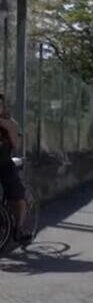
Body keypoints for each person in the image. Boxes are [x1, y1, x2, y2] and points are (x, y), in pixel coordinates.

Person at [0, 94, 31, 244]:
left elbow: (15, 144)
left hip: (4, 165)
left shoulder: (10, 123)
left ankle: (18, 229)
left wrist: (5, 124)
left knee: (18, 197)